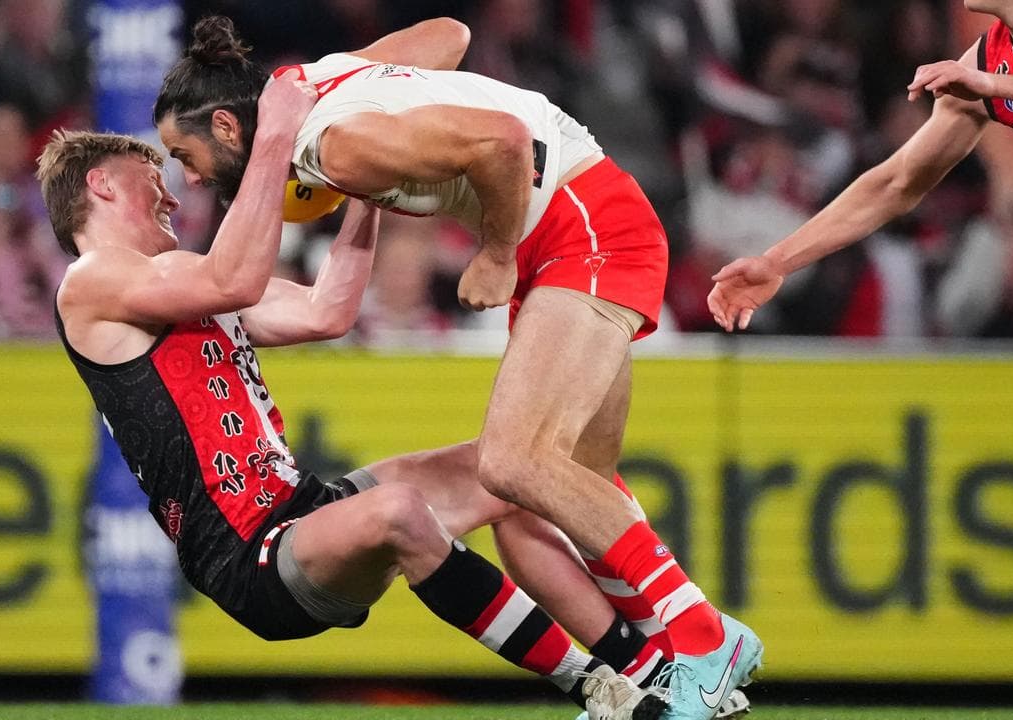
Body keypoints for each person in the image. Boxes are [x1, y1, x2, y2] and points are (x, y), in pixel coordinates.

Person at [150, 17, 761, 720]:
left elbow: (499, 141)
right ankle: (667, 669)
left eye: (182, 153)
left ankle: (706, 640)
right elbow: (451, 34)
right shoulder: (316, 87)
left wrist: (497, 252)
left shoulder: (333, 144)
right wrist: (373, 72)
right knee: (556, 492)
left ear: (228, 128)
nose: (187, 175)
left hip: (580, 229)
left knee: (512, 462)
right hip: (571, 225)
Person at [37, 79, 662, 720]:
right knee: (399, 513)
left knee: (514, 471)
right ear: (101, 186)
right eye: (151, 176)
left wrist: (368, 193)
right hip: (245, 555)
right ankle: (597, 690)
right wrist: (277, 136)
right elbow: (237, 276)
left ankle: (645, 667)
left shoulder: (178, 282)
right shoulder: (91, 282)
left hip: (302, 512)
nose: (172, 193)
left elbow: (326, 310)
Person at [708, 0, 1013, 330]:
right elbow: (896, 183)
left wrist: (991, 85)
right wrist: (776, 263)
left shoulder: (982, 78)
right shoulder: (985, 62)